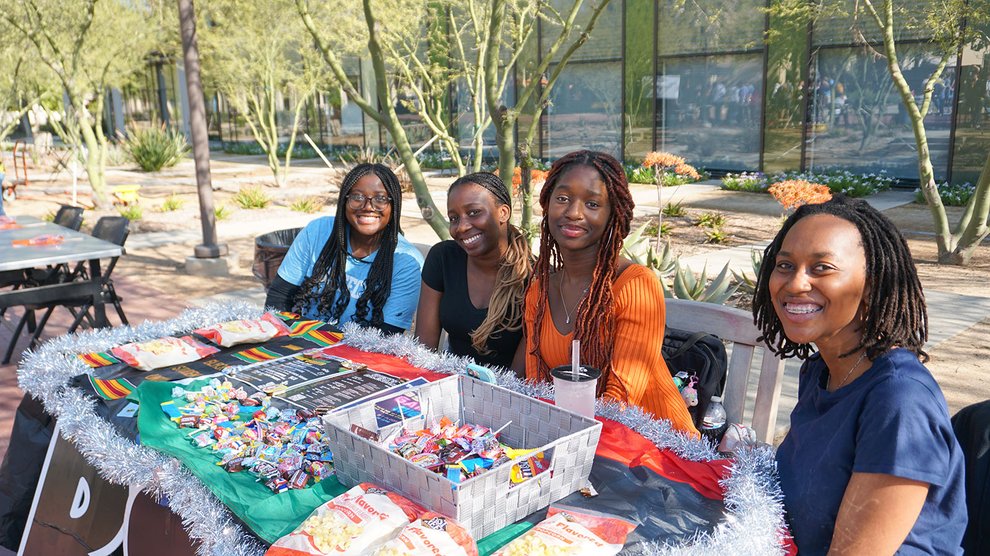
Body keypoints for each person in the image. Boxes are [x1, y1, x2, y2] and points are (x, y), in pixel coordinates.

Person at [753, 195, 966, 554]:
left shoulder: (899, 400)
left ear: (872, 283)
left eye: (822, 268)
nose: (795, 283)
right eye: (785, 265)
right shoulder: (821, 370)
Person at [523, 150, 698, 436]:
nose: (573, 213)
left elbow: (621, 403)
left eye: (592, 203)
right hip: (577, 443)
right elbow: (538, 384)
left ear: (611, 215)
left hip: (656, 449)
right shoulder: (539, 289)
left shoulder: (635, 285)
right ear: (547, 204)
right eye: (563, 198)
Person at [265, 163, 424, 334]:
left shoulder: (406, 262)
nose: (368, 206)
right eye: (357, 196)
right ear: (344, 201)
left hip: (360, 357)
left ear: (394, 206)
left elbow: (387, 336)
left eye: (381, 198)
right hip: (301, 344)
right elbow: (279, 298)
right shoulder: (317, 232)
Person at [415, 172, 531, 371]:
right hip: (449, 384)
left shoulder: (534, 277)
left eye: (474, 212)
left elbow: (520, 376)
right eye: (454, 218)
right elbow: (424, 350)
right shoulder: (443, 258)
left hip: (507, 393)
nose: (461, 227)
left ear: (503, 212)